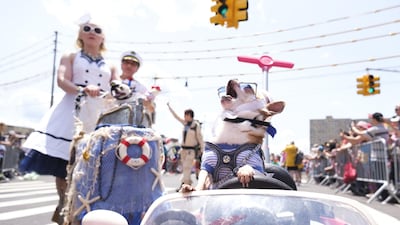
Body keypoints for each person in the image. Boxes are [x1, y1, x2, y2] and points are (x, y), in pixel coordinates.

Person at [19, 16, 118, 225]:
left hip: (100, 115)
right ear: (80, 34)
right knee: (66, 164)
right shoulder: (71, 55)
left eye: (97, 29)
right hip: (72, 111)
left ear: (103, 37)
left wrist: (119, 91)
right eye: (87, 28)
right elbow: (62, 80)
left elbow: (116, 87)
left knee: (96, 166)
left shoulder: (110, 64)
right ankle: (64, 207)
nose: (92, 31)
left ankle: (82, 210)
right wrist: (83, 89)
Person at [167, 103, 204, 191]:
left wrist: (202, 149)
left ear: (189, 115)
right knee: (184, 167)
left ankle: (185, 184)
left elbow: (200, 137)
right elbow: (176, 117)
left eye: (186, 115)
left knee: (187, 167)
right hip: (183, 149)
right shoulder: (185, 124)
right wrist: (169, 107)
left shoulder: (195, 125)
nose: (184, 117)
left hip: (191, 150)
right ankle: (187, 183)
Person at [118, 51, 158, 126]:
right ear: (121, 64)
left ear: (137, 68)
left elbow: (151, 109)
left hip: (133, 124)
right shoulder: (112, 81)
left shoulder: (141, 87)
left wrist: (147, 103)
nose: (129, 66)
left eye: (133, 64)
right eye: (126, 62)